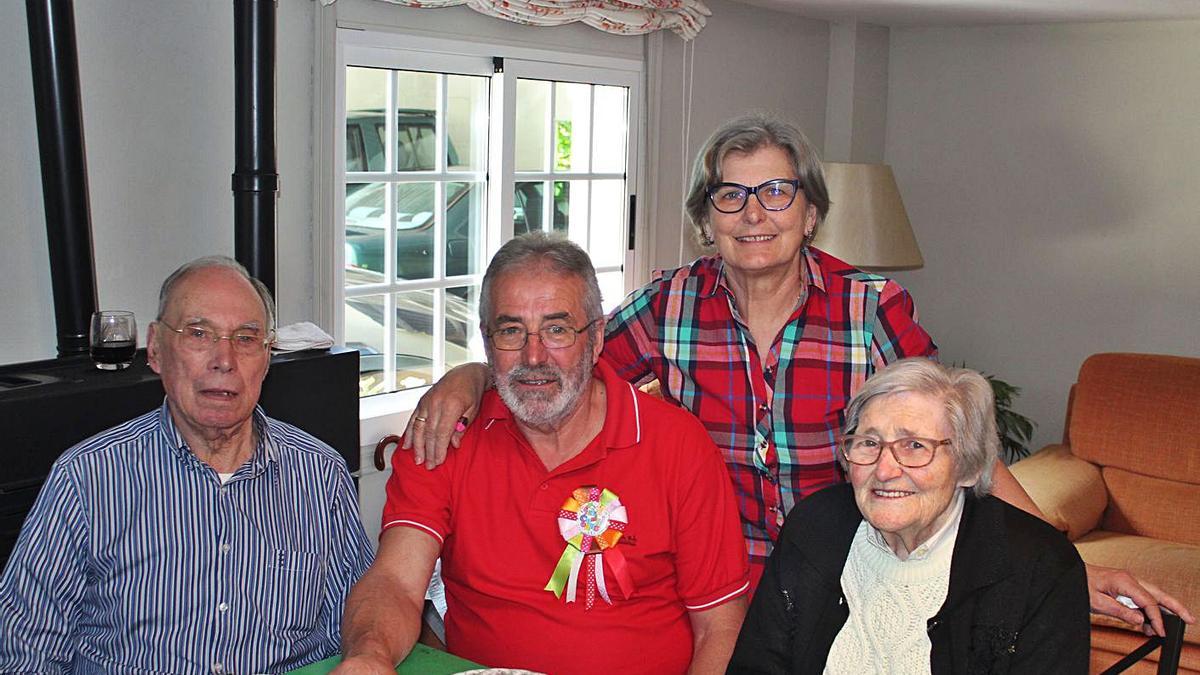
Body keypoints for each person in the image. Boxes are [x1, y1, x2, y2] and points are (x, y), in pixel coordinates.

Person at [399, 113, 1192, 633]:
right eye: (731, 195)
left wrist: (1062, 563)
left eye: (776, 191)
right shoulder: (669, 305)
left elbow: (963, 444)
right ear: (705, 219)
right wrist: (470, 374)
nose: (755, 212)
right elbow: (554, 367)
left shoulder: (869, 308)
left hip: (855, 574)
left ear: (810, 211)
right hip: (723, 591)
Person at [335, 233, 749, 674]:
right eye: (511, 330)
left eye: (557, 329)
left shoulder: (677, 445)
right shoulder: (444, 437)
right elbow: (395, 582)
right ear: (487, 341)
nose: (534, 356)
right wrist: (370, 656)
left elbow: (719, 626)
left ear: (596, 338)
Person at [0, 256, 374, 674]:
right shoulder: (88, 479)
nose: (225, 360)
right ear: (156, 349)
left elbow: (361, 619)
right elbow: (25, 652)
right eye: (199, 334)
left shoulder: (319, 474)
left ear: (266, 358)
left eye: (246, 339)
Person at [728, 358, 1090, 673]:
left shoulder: (1038, 567)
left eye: (915, 446)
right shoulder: (814, 528)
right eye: (869, 443)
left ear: (968, 467)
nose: (884, 470)